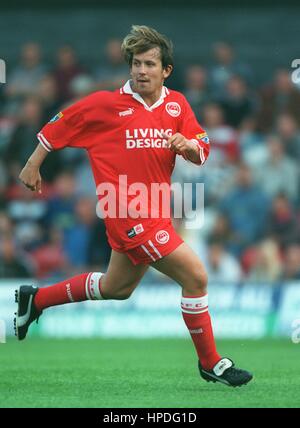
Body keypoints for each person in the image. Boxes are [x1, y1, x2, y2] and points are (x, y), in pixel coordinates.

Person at [15, 25, 252, 387]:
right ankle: (210, 362)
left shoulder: (177, 105)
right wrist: (33, 164)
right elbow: (57, 126)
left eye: (149, 64)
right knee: (197, 277)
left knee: (117, 288)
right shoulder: (105, 105)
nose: (141, 70)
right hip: (127, 214)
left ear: (166, 70)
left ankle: (37, 299)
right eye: (136, 64)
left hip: (157, 212)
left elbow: (202, 148)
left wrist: (188, 146)